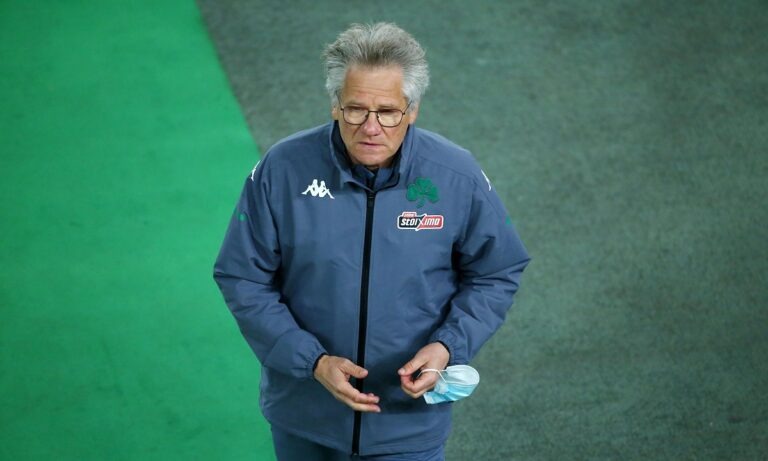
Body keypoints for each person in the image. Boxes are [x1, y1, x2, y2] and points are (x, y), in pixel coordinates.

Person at [214, 22, 530, 461]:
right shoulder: (281, 170)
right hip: (305, 419)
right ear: (335, 105)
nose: (371, 127)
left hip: (408, 425)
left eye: (387, 111)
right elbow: (242, 276)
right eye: (356, 109)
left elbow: (496, 271)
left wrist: (448, 346)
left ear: (412, 110)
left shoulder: (457, 176)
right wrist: (312, 362)